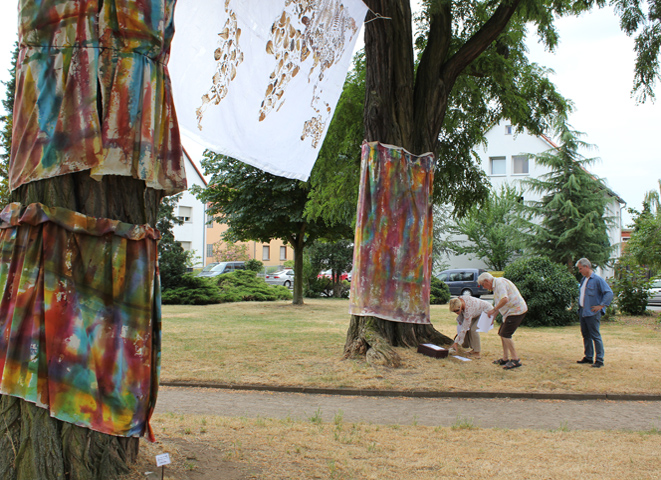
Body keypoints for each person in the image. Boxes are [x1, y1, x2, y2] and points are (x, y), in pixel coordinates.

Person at [477, 272, 528, 370]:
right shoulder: (496, 286)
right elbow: (499, 303)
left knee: (505, 334)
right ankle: (505, 358)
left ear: (487, 281)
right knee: (502, 333)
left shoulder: (500, 283)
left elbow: (504, 299)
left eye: (483, 285)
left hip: (516, 310)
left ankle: (515, 360)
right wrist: (493, 317)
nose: (484, 288)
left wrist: (494, 310)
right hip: (509, 312)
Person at [575, 258, 613, 368]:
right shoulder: (584, 280)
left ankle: (599, 359)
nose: (580, 271)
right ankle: (588, 356)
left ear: (587, 267)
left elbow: (608, 293)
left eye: (580, 268)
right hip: (583, 311)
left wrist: (601, 306)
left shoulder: (597, 280)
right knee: (586, 335)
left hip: (592, 313)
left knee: (595, 335)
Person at [448, 295, 493, 359]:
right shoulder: (459, 300)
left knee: (473, 330)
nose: (456, 313)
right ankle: (473, 350)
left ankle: (477, 353)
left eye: (457, 310)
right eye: (454, 311)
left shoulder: (469, 310)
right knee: (469, 329)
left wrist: (456, 342)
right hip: (477, 312)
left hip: (487, 311)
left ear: (460, 306)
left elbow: (464, 328)